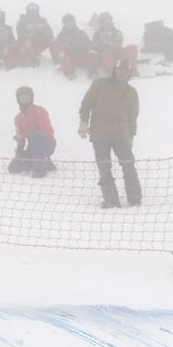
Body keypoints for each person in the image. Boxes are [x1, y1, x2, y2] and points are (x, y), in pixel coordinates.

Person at [79, 59, 141, 207]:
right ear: (114, 71)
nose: (122, 73)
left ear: (129, 73)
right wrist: (83, 122)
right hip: (100, 134)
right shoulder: (100, 84)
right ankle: (111, 199)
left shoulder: (131, 92)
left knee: (128, 165)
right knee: (104, 166)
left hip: (122, 135)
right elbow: (86, 103)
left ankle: (135, 198)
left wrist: (131, 135)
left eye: (126, 71)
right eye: (120, 70)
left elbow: (133, 116)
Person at [8, 86, 56, 176]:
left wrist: (23, 134)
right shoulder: (18, 118)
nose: (24, 99)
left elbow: (43, 131)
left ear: (31, 98)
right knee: (13, 168)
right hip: (32, 148)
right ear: (18, 99)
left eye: (27, 96)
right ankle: (45, 162)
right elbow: (21, 138)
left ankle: (40, 169)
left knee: (35, 136)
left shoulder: (40, 111)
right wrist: (19, 152)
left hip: (47, 144)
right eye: (22, 97)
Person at [91, 12, 139, 77]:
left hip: (118, 54)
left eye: (107, 20)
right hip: (106, 57)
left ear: (111, 21)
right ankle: (112, 72)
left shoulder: (117, 32)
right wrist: (102, 44)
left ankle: (132, 70)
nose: (106, 23)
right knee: (105, 53)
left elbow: (118, 43)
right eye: (103, 21)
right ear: (100, 22)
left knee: (132, 47)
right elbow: (94, 46)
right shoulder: (97, 34)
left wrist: (107, 41)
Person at [51, 13, 96, 79]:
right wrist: (67, 45)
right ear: (64, 23)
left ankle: (92, 73)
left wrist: (80, 43)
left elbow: (89, 43)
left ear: (74, 22)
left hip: (81, 55)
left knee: (92, 54)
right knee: (62, 55)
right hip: (69, 58)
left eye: (71, 21)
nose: (69, 24)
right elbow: (58, 47)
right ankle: (69, 73)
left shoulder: (81, 33)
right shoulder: (61, 35)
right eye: (67, 22)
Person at [13, 2, 54, 67]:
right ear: (27, 11)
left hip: (40, 42)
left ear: (37, 11)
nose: (32, 12)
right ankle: (32, 58)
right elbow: (20, 34)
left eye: (34, 10)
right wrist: (30, 34)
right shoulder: (22, 21)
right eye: (30, 11)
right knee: (27, 41)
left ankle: (57, 59)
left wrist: (44, 32)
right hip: (27, 44)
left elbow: (50, 31)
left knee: (52, 39)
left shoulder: (43, 20)